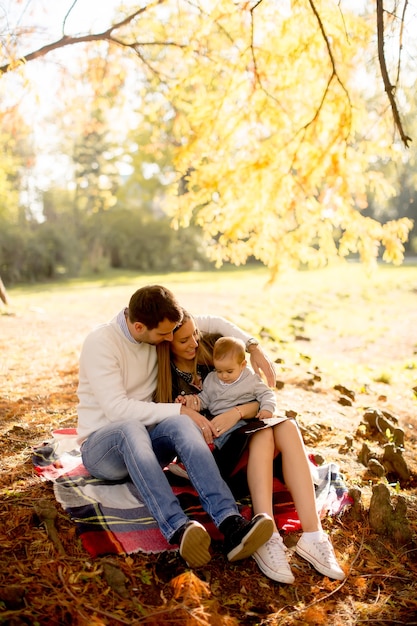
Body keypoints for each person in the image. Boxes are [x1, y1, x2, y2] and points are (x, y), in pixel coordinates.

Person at [76, 284, 274, 570]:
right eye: (164, 334)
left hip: (144, 446)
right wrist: (180, 408)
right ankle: (179, 528)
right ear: (139, 326)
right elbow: (116, 409)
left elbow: (215, 322)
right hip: (103, 450)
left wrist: (253, 347)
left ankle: (231, 524)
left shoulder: (160, 326)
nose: (171, 338)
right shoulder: (101, 342)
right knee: (131, 426)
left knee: (180, 424)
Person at [155, 311, 346, 584]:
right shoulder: (167, 381)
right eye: (185, 340)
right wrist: (188, 408)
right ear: (166, 341)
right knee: (264, 435)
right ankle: (266, 535)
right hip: (221, 457)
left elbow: (258, 397)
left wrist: (237, 411)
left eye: (195, 335)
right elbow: (176, 425)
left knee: (287, 426)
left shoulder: (214, 355)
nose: (194, 343)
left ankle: (313, 535)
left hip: (248, 437)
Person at [178, 336, 282, 450]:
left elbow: (267, 393)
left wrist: (267, 409)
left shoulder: (250, 379)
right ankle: (194, 452)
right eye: (219, 371)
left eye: (229, 371)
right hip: (216, 418)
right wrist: (192, 401)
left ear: (242, 365)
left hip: (240, 420)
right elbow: (205, 399)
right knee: (201, 429)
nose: (224, 376)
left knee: (231, 430)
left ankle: (212, 447)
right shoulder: (211, 379)